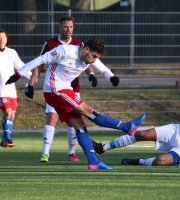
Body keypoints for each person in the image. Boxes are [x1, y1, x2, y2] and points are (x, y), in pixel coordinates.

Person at [6, 37, 145, 170]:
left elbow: (100, 66)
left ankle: (93, 162)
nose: (94, 60)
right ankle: (126, 127)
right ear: (86, 50)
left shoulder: (88, 57)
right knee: (89, 111)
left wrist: (111, 76)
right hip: (55, 90)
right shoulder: (64, 51)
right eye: (94, 56)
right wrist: (18, 75)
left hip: (63, 90)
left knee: (80, 126)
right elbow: (40, 60)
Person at [24, 15, 119, 163]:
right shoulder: (51, 44)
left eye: (71, 27)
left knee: (74, 121)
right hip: (55, 88)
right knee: (53, 117)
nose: (68, 30)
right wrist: (30, 84)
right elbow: (39, 64)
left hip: (72, 88)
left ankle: (72, 152)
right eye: (65, 27)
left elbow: (89, 62)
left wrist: (93, 75)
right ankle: (45, 153)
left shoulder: (79, 44)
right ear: (59, 27)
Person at [0, 29, 31, 148]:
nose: (1, 40)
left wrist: (32, 76)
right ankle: (8, 138)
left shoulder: (12, 52)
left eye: (3, 37)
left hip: (11, 91)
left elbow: (21, 66)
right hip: (1, 91)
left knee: (11, 115)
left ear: (6, 39)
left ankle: (4, 140)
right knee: (8, 111)